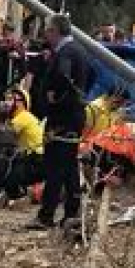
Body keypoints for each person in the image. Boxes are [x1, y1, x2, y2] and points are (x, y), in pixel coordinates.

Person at [29, 14, 90, 230]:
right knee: (69, 166)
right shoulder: (80, 50)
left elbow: (64, 77)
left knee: (55, 166)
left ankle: (46, 215)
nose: (45, 34)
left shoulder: (66, 52)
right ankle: (72, 212)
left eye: (47, 30)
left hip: (62, 118)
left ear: (55, 31)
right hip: (73, 116)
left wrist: (54, 96)